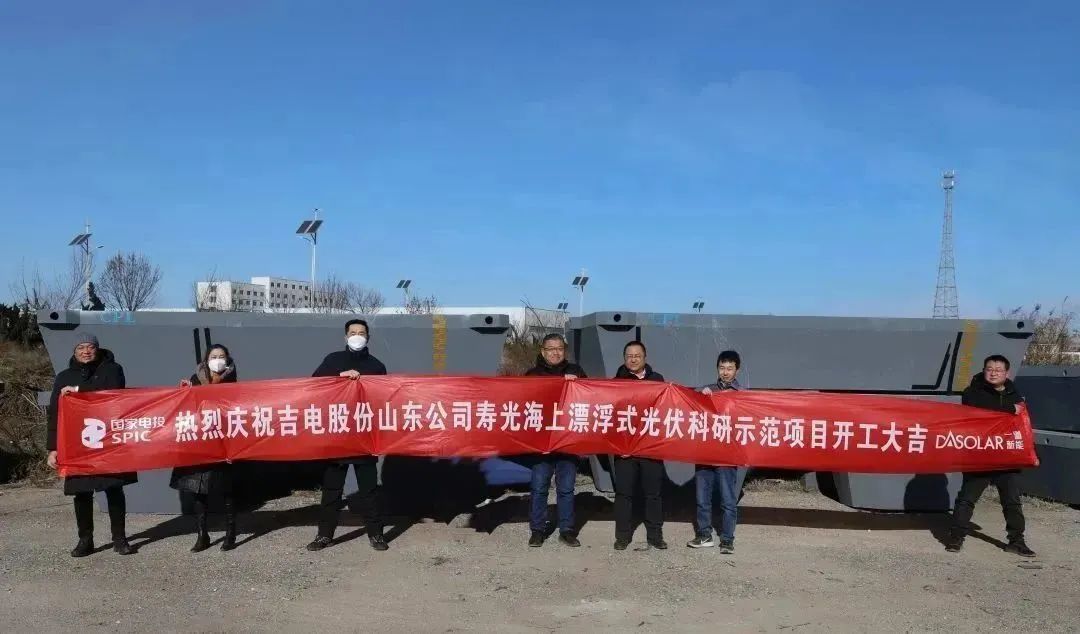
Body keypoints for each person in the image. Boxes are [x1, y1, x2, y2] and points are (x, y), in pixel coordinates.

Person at [46, 333, 136, 557]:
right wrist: (53, 448)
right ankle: (85, 540)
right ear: (74, 351)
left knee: (114, 490)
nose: (86, 351)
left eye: (90, 347)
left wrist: (77, 392)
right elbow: (55, 414)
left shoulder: (112, 369)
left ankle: (120, 539)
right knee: (81, 493)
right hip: (78, 444)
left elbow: (111, 395)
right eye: (81, 347)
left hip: (108, 441)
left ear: (97, 349)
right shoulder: (64, 376)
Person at [306, 319, 389, 552]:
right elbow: (314, 386)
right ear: (345, 337)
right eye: (353, 333)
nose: (357, 336)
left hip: (364, 436)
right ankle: (324, 535)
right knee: (332, 490)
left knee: (369, 490)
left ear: (368, 337)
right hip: (337, 435)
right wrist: (338, 378)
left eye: (361, 332)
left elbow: (383, 397)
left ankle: (376, 534)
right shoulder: (333, 361)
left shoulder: (376, 366)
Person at [945, 354, 1035, 557]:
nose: (993, 373)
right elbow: (979, 408)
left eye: (998, 370)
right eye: (989, 369)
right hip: (979, 454)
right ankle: (956, 537)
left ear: (1006, 373)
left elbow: (1022, 422)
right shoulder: (973, 392)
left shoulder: (1014, 393)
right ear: (984, 371)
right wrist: (1010, 409)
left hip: (1006, 456)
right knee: (967, 498)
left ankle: (1016, 541)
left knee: (1012, 501)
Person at [171, 344, 239, 552]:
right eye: (213, 356)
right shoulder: (194, 380)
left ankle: (230, 533)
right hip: (199, 442)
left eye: (221, 356)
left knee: (228, 491)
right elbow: (184, 409)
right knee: (198, 489)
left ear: (227, 360)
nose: (217, 360)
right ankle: (203, 535)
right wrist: (182, 392)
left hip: (223, 442)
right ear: (206, 360)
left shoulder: (234, 383)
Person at [523, 333, 587, 548]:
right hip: (541, 442)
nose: (555, 353)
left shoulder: (576, 371)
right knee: (539, 487)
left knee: (566, 488)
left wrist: (577, 385)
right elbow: (522, 403)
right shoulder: (532, 375)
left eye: (559, 348)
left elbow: (590, 398)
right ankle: (537, 530)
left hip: (567, 441)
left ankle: (567, 530)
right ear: (543, 351)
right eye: (551, 349)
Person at [612, 340, 667, 551]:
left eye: (637, 355)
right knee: (624, 494)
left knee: (653, 494)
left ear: (645, 357)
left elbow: (666, 409)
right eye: (629, 356)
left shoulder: (657, 380)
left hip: (650, 446)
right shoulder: (616, 382)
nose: (633, 359)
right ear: (624, 359)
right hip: (625, 448)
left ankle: (655, 535)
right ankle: (622, 536)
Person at [688, 350, 743, 553]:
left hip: (727, 455)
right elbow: (689, 404)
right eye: (722, 368)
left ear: (737, 370)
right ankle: (704, 535)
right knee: (702, 498)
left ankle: (727, 539)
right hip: (705, 452)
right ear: (717, 369)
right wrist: (699, 397)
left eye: (730, 368)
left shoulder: (743, 395)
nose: (725, 372)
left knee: (728, 500)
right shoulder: (707, 390)